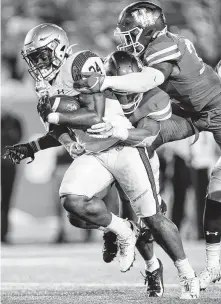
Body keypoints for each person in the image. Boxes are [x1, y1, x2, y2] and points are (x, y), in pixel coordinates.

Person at [3, 23, 200, 299]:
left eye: (42, 55)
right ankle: (123, 230)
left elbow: (93, 117)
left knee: (152, 218)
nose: (38, 63)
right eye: (34, 57)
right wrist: (33, 146)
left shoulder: (81, 62)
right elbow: (61, 130)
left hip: (124, 146)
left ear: (58, 48)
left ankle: (185, 273)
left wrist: (56, 114)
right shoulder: (47, 85)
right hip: (95, 153)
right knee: (73, 202)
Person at [75, 0, 221, 291]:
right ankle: (147, 205)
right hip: (192, 116)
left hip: (215, 112)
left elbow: (150, 79)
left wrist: (105, 81)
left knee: (217, 190)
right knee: (137, 144)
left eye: (129, 31)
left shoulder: (163, 46)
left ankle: (211, 263)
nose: (126, 38)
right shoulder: (151, 49)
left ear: (146, 28)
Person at [1, 111, 23, 243]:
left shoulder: (14, 121)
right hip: (8, 163)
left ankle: (3, 233)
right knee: (5, 202)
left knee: (6, 201)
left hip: (8, 165)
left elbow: (18, 137)